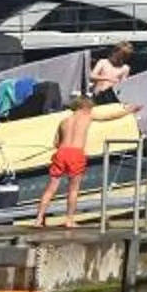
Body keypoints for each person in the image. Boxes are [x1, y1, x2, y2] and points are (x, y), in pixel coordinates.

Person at [33, 93, 99, 226]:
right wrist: (127, 111)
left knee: (50, 188)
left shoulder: (64, 121)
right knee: (73, 189)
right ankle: (69, 220)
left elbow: (56, 143)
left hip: (62, 152)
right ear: (85, 107)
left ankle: (39, 219)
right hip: (76, 153)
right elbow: (109, 117)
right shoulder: (87, 117)